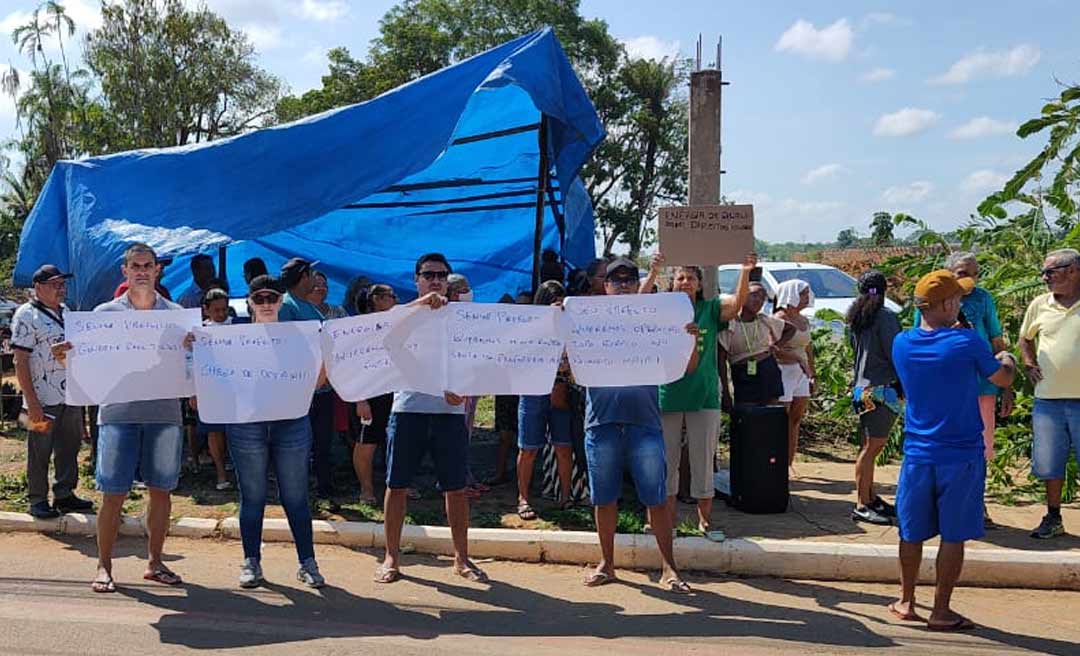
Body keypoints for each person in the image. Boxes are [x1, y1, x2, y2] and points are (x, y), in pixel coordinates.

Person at [55, 243, 190, 593]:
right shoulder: (103, 315)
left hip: (164, 416)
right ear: (125, 271)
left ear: (158, 270)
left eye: (149, 265)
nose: (143, 270)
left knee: (161, 492)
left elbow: (193, 368)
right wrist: (63, 358)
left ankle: (155, 563)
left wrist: (196, 352)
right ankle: (104, 566)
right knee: (112, 493)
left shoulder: (177, 316)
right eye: (136, 265)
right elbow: (85, 365)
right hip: (117, 416)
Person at [889, 269, 1015, 630]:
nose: (962, 303)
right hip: (961, 453)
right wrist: (1006, 357)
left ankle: (906, 600)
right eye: (957, 298)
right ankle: (941, 610)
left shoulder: (902, 343)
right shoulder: (967, 343)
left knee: (910, 531)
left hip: (917, 451)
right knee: (954, 534)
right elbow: (1000, 377)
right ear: (945, 304)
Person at [581, 257, 700, 592]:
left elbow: (688, 368)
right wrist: (561, 318)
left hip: (644, 422)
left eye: (629, 281)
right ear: (605, 286)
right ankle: (607, 563)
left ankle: (669, 568)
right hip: (601, 422)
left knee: (656, 497)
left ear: (638, 285)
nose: (622, 286)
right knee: (604, 498)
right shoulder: (587, 322)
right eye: (615, 281)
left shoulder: (659, 325)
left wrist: (690, 339)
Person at [375, 252, 488, 585]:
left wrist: (463, 389)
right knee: (397, 486)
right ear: (417, 279)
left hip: (448, 413)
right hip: (408, 410)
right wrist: (421, 305)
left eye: (441, 274)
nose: (435, 279)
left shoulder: (460, 318)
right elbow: (389, 339)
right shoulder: (402, 312)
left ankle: (462, 558)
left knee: (456, 488)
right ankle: (391, 557)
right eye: (428, 274)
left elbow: (474, 358)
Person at [216, 274, 326, 588]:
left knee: (296, 496)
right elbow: (213, 376)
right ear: (250, 302)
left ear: (281, 301)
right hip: (246, 424)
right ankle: (251, 561)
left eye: (272, 298)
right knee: (252, 496)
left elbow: (317, 380)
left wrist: (326, 363)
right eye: (260, 298)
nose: (266, 304)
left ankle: (308, 562)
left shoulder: (301, 338)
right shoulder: (230, 338)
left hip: (291, 422)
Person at [638, 253, 754, 538]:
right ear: (673, 283)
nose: (686, 282)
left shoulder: (711, 309)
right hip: (668, 395)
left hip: (704, 397)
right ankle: (669, 522)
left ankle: (705, 522)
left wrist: (745, 270)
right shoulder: (662, 310)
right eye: (680, 277)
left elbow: (737, 304)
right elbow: (637, 306)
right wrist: (653, 272)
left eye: (691, 278)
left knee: (703, 460)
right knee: (667, 462)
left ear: (700, 284)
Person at [914, 252, 1013, 527]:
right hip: (945, 388)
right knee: (941, 445)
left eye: (974, 273)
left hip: (983, 384)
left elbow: (996, 340)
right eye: (962, 273)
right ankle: (939, 505)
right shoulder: (929, 301)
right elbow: (920, 340)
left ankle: (976, 505)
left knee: (981, 447)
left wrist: (1006, 387)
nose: (969, 278)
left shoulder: (983, 298)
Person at [11, 265, 94, 519]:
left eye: (62, 284)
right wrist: (32, 401)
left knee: (69, 446)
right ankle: (37, 499)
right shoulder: (26, 315)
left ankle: (64, 494)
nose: (61, 288)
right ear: (38, 287)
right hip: (40, 399)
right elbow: (20, 361)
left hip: (69, 395)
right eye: (55, 284)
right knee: (39, 450)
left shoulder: (67, 312)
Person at [1020, 248, 1080, 540]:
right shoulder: (1039, 304)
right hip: (1048, 399)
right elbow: (1025, 337)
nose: (1045, 278)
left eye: (1050, 272)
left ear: (1073, 271)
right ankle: (1053, 517)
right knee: (1049, 464)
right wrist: (1029, 363)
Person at [276, 257, 336, 510]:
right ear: (303, 277)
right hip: (300, 392)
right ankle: (297, 495)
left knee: (322, 443)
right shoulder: (286, 307)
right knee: (298, 446)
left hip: (321, 390)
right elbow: (284, 349)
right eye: (312, 274)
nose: (315, 279)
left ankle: (323, 491)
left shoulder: (308, 307)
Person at [515, 281, 574, 520]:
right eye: (552, 300)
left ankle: (566, 497)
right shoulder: (527, 329)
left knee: (563, 446)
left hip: (560, 389)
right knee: (528, 448)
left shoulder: (570, 327)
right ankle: (523, 497)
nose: (557, 305)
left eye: (561, 300)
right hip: (532, 391)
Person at [848, 271, 903, 525]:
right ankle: (862, 503)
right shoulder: (886, 318)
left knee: (866, 446)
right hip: (882, 390)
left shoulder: (856, 319)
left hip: (861, 389)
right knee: (872, 449)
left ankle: (869, 497)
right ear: (884, 290)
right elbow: (896, 354)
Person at [350, 284, 398, 505]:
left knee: (396, 440)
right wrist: (361, 400)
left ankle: (398, 486)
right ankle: (366, 489)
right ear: (376, 299)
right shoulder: (360, 328)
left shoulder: (396, 324)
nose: (395, 299)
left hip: (395, 391)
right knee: (367, 443)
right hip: (370, 393)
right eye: (390, 296)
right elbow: (353, 365)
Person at [718, 282, 793, 409]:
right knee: (747, 415)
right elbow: (721, 360)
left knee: (771, 413)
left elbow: (791, 329)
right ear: (742, 296)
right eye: (754, 295)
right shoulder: (731, 323)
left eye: (762, 298)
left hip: (768, 369)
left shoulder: (764, 320)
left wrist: (776, 345)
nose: (758, 300)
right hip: (742, 372)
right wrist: (726, 393)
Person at [774, 279, 816, 478]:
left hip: (801, 374)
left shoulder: (804, 320)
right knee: (781, 421)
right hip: (783, 372)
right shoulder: (778, 318)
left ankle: (789, 462)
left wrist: (812, 373)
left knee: (795, 419)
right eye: (803, 293)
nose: (807, 297)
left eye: (808, 293)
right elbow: (771, 350)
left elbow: (808, 348)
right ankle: (777, 462)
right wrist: (796, 359)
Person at [198, 288, 232, 491]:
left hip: (235, 387)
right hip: (209, 387)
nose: (221, 314)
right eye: (217, 310)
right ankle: (221, 472)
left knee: (235, 431)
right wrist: (193, 392)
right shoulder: (198, 332)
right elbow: (191, 362)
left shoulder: (239, 327)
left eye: (225, 309)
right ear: (206, 310)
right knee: (214, 430)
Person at [487, 293, 521, 487]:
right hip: (506, 389)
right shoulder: (496, 334)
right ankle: (502, 472)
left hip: (514, 389)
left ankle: (504, 472)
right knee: (506, 435)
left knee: (509, 436)